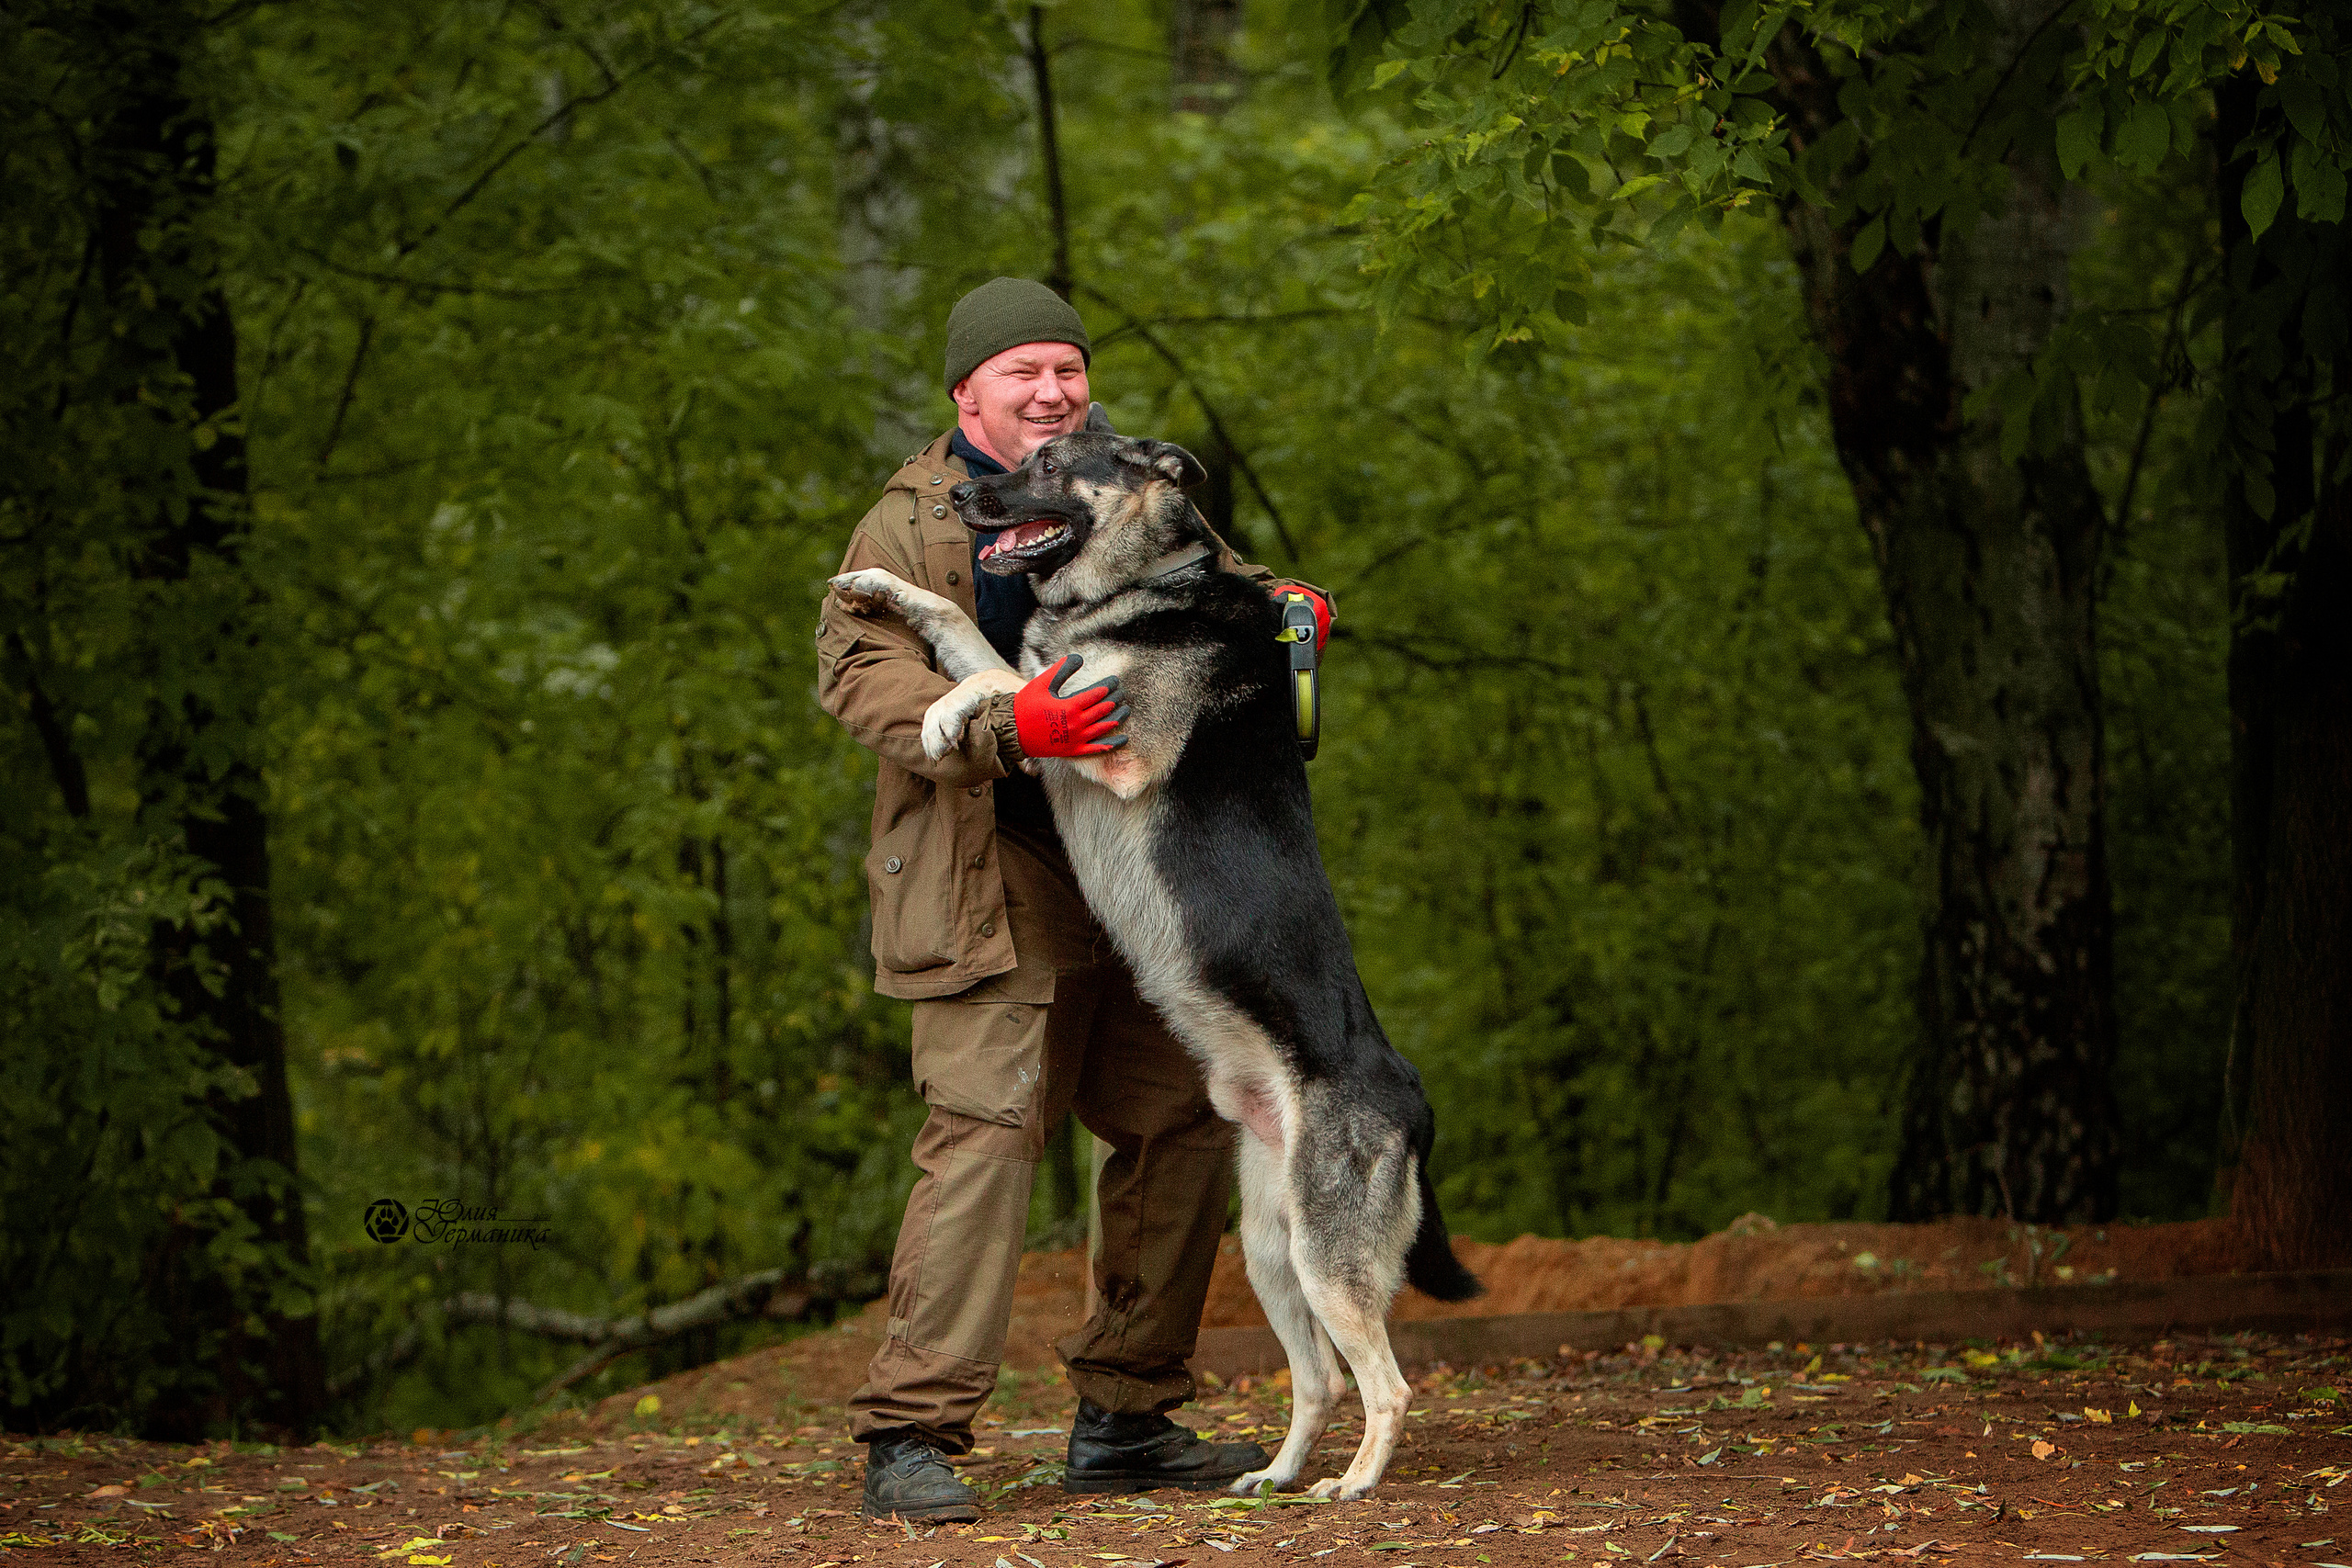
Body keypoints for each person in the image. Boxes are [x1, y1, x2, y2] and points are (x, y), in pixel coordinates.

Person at [815, 277, 1333, 1522]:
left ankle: (1129, 1419)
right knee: (989, 1138)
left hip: (1150, 873)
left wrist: (1289, 613)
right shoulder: (908, 523)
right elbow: (858, 676)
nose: (1052, 393)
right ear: (967, 393)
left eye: (1067, 371)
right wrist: (1013, 722)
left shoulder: (1119, 481)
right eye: (1022, 374)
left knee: (1187, 1120)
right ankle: (912, 1436)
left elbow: (1221, 583)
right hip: (992, 866)